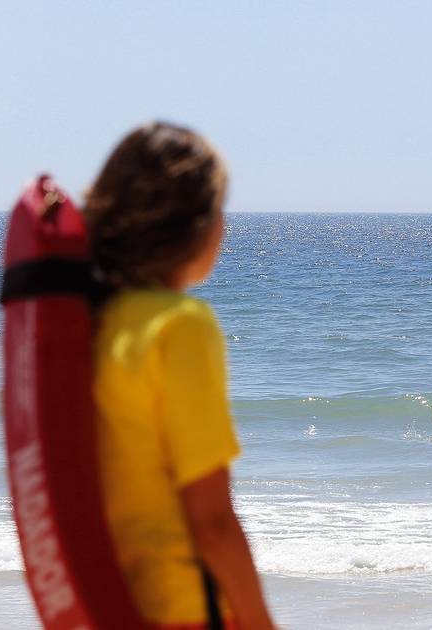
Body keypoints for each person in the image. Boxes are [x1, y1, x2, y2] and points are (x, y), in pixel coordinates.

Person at [88, 122, 275, 629]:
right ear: (196, 224)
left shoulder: (93, 318)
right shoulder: (180, 326)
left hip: (110, 604)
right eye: (220, 208)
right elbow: (211, 522)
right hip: (178, 611)